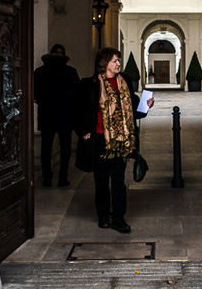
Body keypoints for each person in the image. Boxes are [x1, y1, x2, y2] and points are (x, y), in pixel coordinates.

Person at [75, 46, 154, 232]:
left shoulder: (124, 80)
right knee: (101, 180)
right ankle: (103, 215)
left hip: (121, 140)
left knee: (118, 180)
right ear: (104, 64)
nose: (119, 63)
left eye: (118, 60)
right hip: (101, 140)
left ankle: (118, 217)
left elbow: (133, 108)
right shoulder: (91, 84)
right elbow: (79, 110)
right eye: (115, 61)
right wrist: (83, 131)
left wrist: (146, 106)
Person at [33, 44, 80, 187]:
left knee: (45, 147)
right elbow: (77, 93)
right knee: (65, 148)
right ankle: (62, 176)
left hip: (46, 114)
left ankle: (47, 176)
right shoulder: (70, 72)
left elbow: (34, 94)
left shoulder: (39, 72)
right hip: (65, 114)